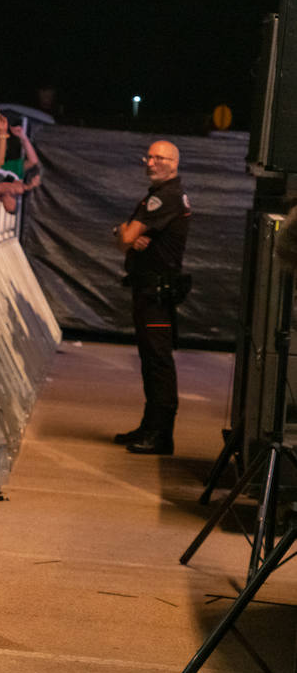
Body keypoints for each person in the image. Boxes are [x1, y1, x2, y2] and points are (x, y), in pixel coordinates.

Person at [113, 140, 191, 455]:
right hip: (147, 290)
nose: (152, 162)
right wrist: (125, 235)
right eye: (149, 157)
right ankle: (149, 426)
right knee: (149, 361)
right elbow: (125, 240)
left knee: (158, 362)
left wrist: (124, 233)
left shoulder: (166, 197)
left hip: (157, 293)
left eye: (160, 157)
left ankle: (161, 435)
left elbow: (127, 237)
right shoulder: (158, 195)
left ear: (174, 163)